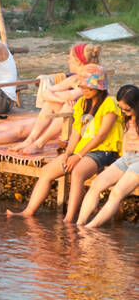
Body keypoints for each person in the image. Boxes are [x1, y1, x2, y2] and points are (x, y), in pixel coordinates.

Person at [8, 66, 122, 223]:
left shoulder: (110, 103)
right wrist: (68, 154)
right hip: (81, 150)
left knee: (77, 173)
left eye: (88, 87)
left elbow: (101, 135)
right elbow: (76, 133)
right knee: (47, 171)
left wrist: (78, 156)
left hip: (104, 150)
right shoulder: (82, 103)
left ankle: (69, 219)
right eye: (82, 86)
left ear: (99, 87)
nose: (85, 90)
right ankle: (28, 211)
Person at [0, 44, 98, 152]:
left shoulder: (89, 80)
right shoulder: (73, 78)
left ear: (78, 61)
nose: (68, 61)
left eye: (70, 58)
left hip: (72, 125)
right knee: (7, 126)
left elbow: (70, 95)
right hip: (55, 118)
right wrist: (58, 97)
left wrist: (57, 96)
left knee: (19, 130)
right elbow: (47, 92)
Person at [78, 84, 139, 228]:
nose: (124, 112)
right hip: (126, 158)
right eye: (121, 109)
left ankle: (90, 228)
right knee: (96, 184)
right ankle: (79, 225)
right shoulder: (127, 117)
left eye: (127, 109)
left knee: (116, 194)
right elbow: (125, 138)